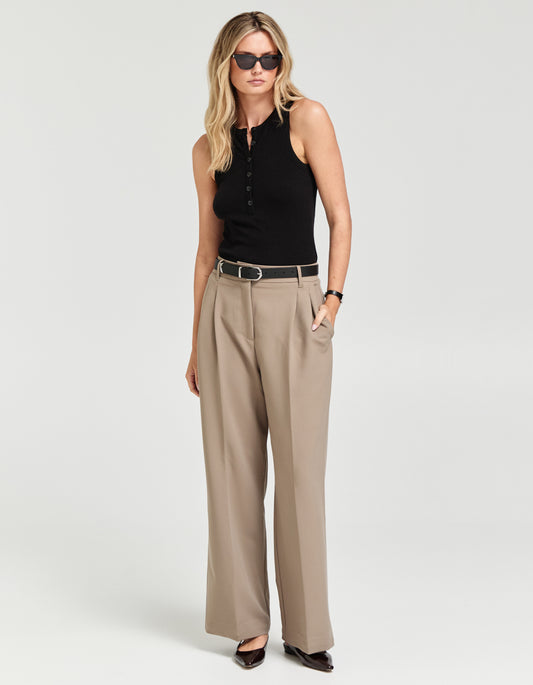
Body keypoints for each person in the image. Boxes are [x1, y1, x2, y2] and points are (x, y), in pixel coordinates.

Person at [186, 10, 351, 672]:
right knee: (231, 470)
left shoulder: (308, 119)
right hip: (225, 304)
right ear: (225, 64)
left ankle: (307, 628)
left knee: (300, 472)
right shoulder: (209, 146)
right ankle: (246, 623)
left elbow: (340, 216)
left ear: (282, 63)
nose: (259, 70)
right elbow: (206, 250)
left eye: (270, 58)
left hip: (295, 304)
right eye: (246, 59)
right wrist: (196, 342)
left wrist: (331, 300)